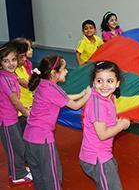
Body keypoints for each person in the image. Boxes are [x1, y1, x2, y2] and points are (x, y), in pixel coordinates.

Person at [24, 55, 91, 190]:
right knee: (53, 176)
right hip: (43, 139)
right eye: (64, 69)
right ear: (54, 73)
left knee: (39, 176)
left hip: (29, 138)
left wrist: (81, 94)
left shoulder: (43, 84)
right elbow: (75, 106)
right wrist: (88, 95)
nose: (67, 71)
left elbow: (63, 98)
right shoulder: (53, 88)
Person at [79, 60, 130, 190]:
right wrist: (121, 125)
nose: (104, 86)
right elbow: (103, 134)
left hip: (101, 155)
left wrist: (116, 122)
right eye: (99, 81)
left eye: (110, 81)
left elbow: (107, 121)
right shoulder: (98, 104)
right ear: (93, 82)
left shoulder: (109, 97)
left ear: (117, 83)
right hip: (97, 158)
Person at [0, 43, 32, 185]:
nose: (10, 64)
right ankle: (17, 175)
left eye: (13, 60)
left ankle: (18, 168)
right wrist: (26, 112)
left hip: (12, 117)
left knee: (18, 145)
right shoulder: (3, 78)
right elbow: (13, 99)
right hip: (6, 121)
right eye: (6, 61)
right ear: (0, 63)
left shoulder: (11, 75)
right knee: (14, 147)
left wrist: (24, 108)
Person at [12, 38, 34, 132]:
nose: (24, 59)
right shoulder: (14, 72)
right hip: (21, 112)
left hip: (28, 107)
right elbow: (27, 84)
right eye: (22, 56)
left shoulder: (22, 68)